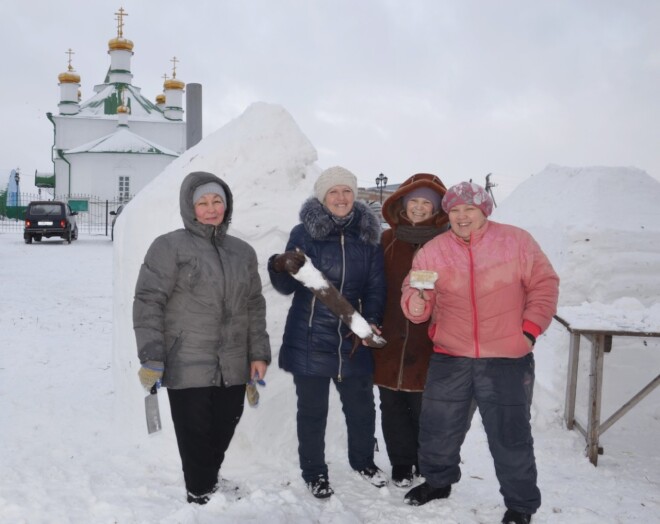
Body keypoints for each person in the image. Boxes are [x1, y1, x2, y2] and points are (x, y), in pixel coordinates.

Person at [401, 182, 559, 524]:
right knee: (438, 427)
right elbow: (416, 290)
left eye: (469, 210)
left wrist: (529, 331)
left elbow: (544, 284)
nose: (461, 217)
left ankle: (520, 504)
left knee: (510, 433)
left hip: (506, 357)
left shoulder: (517, 242)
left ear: (484, 210)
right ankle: (438, 482)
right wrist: (415, 303)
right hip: (451, 354)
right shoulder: (434, 251)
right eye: (455, 211)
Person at [133, 171, 271, 505]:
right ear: (189, 207)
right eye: (203, 203)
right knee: (194, 434)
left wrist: (258, 354)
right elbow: (149, 300)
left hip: (233, 360)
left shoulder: (242, 252)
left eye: (217, 201)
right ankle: (200, 495)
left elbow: (254, 305)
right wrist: (152, 355)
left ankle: (207, 479)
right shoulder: (169, 246)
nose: (211, 209)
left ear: (227, 205)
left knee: (225, 424)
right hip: (186, 359)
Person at [268, 166, 387, 499]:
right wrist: (279, 264)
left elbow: (377, 285)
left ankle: (363, 462)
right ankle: (314, 472)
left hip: (353, 338)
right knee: (312, 410)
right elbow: (285, 285)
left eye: (347, 191)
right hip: (310, 337)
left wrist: (372, 320)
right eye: (333, 192)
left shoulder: (368, 237)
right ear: (322, 197)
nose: (341, 197)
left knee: (362, 408)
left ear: (355, 195)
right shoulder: (304, 233)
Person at [372, 173, 450, 488]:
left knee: (425, 409)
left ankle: (424, 461)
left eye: (427, 204)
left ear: (437, 210)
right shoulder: (387, 241)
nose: (419, 208)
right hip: (389, 339)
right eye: (414, 201)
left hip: (428, 341)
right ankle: (402, 464)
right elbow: (374, 286)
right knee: (391, 406)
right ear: (403, 204)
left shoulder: (446, 243)